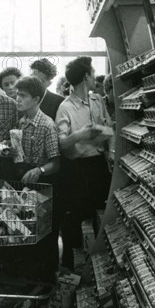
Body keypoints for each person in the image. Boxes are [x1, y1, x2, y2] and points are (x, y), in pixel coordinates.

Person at [56, 57, 115, 270]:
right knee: (75, 221)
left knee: (100, 216)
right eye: (92, 72)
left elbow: (110, 129)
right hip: (76, 172)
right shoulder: (65, 107)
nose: (94, 77)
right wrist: (80, 135)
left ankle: (99, 268)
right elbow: (62, 143)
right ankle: (73, 270)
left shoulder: (98, 100)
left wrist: (110, 149)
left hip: (98, 167)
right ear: (86, 77)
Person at [13, 76, 61, 280]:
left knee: (44, 235)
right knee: (27, 232)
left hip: (43, 186)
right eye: (17, 95)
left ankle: (46, 280)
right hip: (25, 185)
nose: (18, 99)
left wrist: (39, 170)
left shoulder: (47, 125)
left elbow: (56, 163)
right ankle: (29, 279)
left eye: (22, 96)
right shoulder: (21, 123)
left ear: (36, 99)